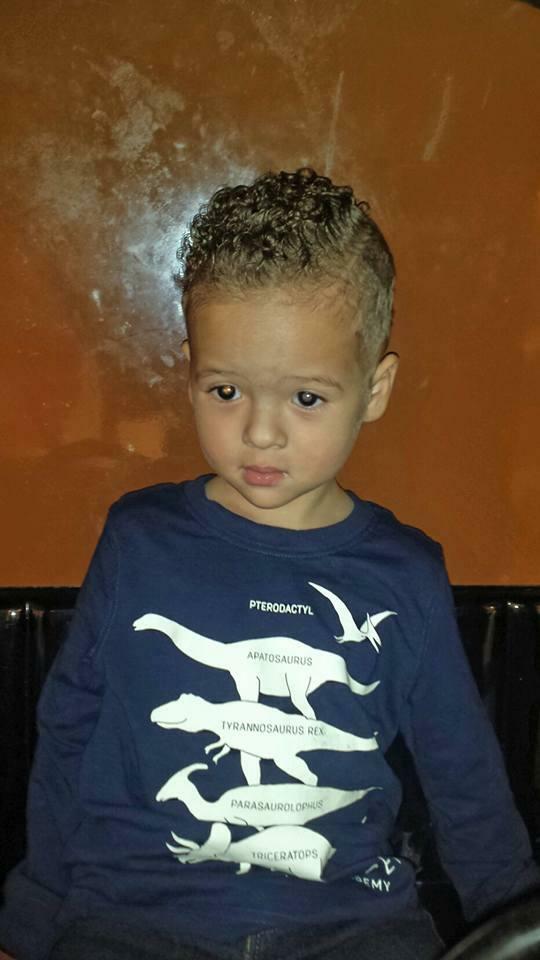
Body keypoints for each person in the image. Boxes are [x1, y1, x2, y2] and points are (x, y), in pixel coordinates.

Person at [0, 168, 537, 960]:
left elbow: (467, 783)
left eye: (306, 399)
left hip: (353, 927)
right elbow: (67, 730)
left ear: (375, 389)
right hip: (133, 920)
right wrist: (31, 916)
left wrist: (516, 923)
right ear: (190, 371)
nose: (260, 433)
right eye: (226, 391)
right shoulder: (137, 541)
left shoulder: (407, 574)